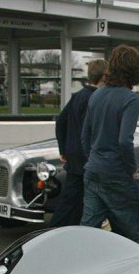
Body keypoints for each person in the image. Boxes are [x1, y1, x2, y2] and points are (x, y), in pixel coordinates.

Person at [80, 45, 139, 248]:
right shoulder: (131, 99)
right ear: (135, 70)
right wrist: (132, 169)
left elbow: (84, 137)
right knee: (138, 234)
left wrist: (95, 159)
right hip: (118, 175)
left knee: (88, 231)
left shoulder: (96, 95)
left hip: (93, 171)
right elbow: (124, 141)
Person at [51, 59, 108, 228]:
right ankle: (56, 230)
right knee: (77, 199)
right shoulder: (95, 99)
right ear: (104, 77)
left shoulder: (78, 96)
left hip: (73, 154)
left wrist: (63, 149)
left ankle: (64, 230)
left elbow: (61, 121)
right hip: (87, 156)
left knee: (73, 197)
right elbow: (91, 132)